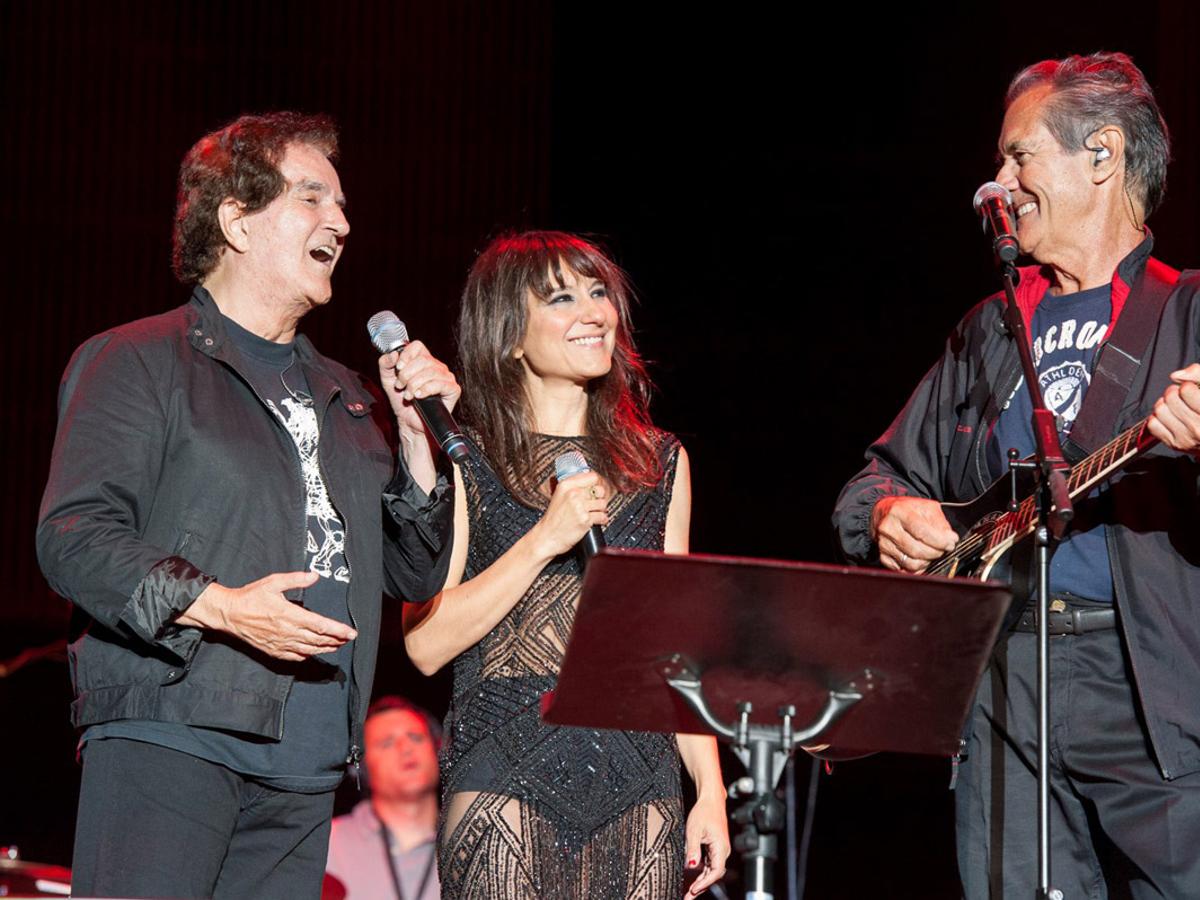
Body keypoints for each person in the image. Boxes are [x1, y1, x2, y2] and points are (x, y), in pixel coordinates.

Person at [833, 53, 1200, 898]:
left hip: (1162, 692)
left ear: (1100, 155)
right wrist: (885, 514)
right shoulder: (990, 329)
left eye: (1018, 156)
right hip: (1002, 680)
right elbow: (874, 478)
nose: (997, 182)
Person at [36, 112, 459, 899]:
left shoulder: (348, 393)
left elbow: (411, 571)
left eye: (341, 206)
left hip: (307, 752)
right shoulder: (137, 358)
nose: (339, 220)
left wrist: (411, 439)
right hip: (173, 726)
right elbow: (74, 537)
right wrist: (219, 606)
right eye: (311, 198)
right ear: (235, 218)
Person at [402, 231, 730, 899]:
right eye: (560, 297)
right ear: (510, 336)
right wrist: (543, 538)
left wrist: (710, 789)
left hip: (640, 780)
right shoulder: (467, 458)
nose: (592, 311)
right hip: (504, 774)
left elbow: (675, 646)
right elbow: (426, 645)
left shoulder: (658, 463)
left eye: (597, 292)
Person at [328, 696, 443, 900]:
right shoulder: (327, 845)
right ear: (361, 769)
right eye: (387, 743)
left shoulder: (474, 844)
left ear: (438, 751)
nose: (406, 748)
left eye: (416, 737)